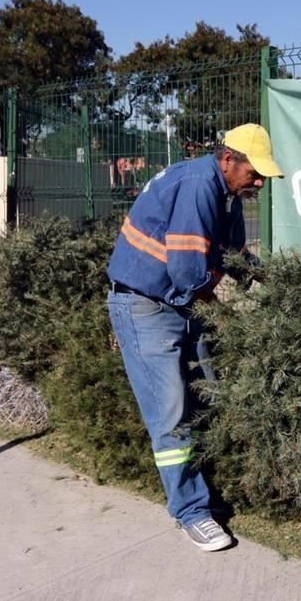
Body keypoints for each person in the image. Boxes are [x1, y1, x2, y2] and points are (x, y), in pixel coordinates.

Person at [106, 123, 283, 551]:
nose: (259, 182)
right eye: (254, 172)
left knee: (208, 393)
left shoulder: (226, 192)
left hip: (179, 303)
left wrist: (267, 279)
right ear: (228, 160)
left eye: (263, 174)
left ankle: (207, 490)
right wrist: (221, 311)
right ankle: (190, 511)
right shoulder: (198, 185)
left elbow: (230, 254)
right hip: (146, 306)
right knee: (170, 415)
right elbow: (188, 271)